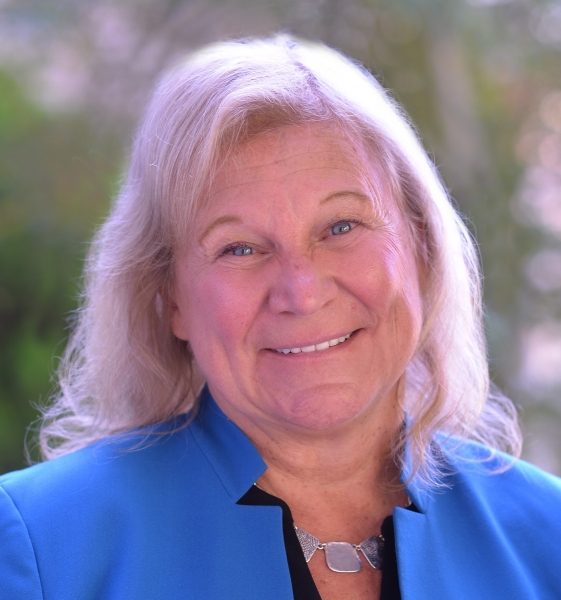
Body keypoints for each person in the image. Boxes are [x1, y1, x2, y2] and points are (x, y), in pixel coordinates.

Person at [0, 34, 560, 600]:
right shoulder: (39, 546)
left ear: (420, 246)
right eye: (239, 248)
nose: (302, 292)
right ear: (170, 299)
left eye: (341, 227)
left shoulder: (550, 539)